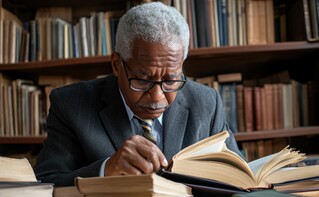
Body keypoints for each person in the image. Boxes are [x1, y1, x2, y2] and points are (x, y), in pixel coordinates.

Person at [34, 2, 243, 186]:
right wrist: (105, 170)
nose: (157, 97)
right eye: (143, 79)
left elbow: (239, 177)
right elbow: (45, 181)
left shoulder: (207, 103)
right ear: (117, 65)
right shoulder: (70, 105)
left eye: (170, 80)